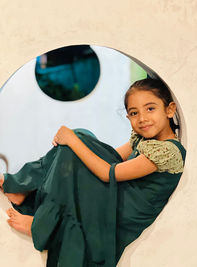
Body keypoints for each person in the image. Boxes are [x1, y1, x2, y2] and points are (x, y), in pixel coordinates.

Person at [0, 78, 186, 267]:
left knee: (78, 140)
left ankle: (40, 219)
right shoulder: (143, 139)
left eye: (150, 109)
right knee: (82, 136)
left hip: (120, 211)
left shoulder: (168, 151)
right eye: (134, 113)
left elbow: (108, 172)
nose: (142, 118)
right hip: (115, 196)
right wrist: (75, 141)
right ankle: (23, 192)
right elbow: (111, 157)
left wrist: (73, 140)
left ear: (169, 110)